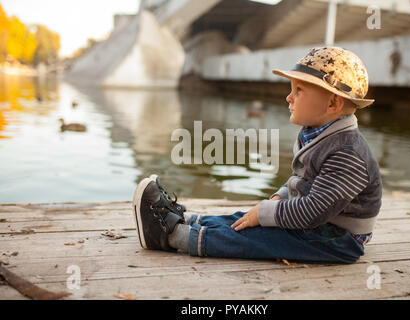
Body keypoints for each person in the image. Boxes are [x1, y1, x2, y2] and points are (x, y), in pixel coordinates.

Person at [132, 47, 382, 264]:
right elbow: (301, 179)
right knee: (246, 219)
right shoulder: (317, 134)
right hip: (320, 223)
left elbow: (313, 211)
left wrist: (266, 212)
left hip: (338, 238)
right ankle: (184, 220)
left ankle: (172, 236)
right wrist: (279, 197)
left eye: (299, 90)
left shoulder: (347, 153)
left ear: (332, 104)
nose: (289, 97)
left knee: (260, 237)